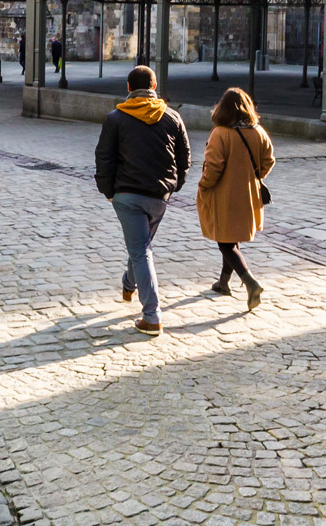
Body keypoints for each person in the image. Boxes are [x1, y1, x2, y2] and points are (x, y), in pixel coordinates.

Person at [93, 65, 191, 335]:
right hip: (159, 196)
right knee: (141, 247)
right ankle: (128, 284)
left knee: (140, 250)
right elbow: (185, 159)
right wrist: (174, 186)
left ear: (128, 88)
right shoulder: (172, 118)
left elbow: (104, 157)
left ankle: (152, 316)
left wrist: (108, 191)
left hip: (126, 194)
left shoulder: (116, 118)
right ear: (155, 86)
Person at [197, 87, 275, 312]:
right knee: (230, 238)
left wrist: (204, 185)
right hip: (247, 195)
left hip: (224, 194)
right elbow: (269, 159)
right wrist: (255, 176)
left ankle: (251, 283)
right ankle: (223, 282)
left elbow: (213, 166)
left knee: (225, 241)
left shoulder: (220, 133)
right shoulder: (258, 131)